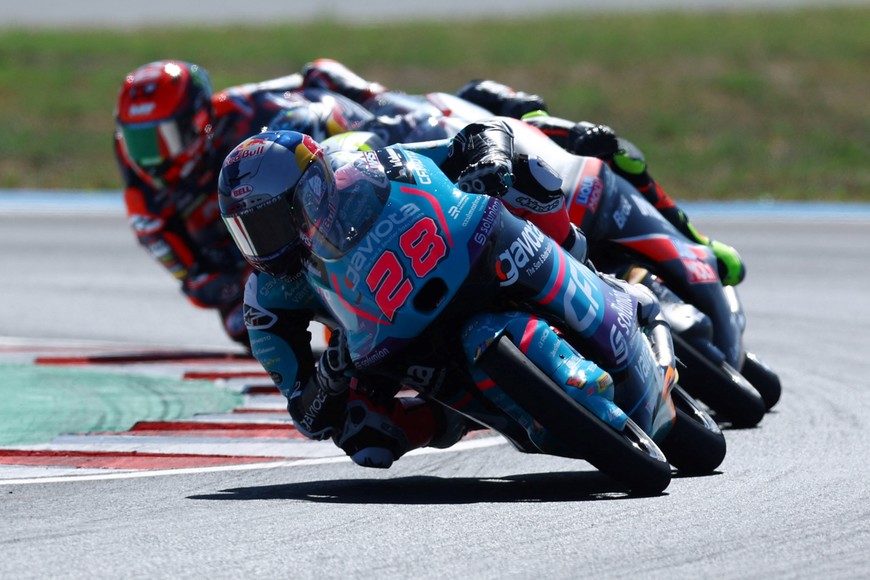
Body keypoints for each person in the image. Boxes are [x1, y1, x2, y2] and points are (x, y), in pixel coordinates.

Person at [218, 126, 663, 469]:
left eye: (273, 224)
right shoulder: (267, 300)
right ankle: (469, 416)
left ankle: (596, 276)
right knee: (363, 436)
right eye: (248, 233)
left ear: (313, 190)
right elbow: (306, 414)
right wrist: (331, 376)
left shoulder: (365, 171)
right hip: (382, 333)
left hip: (455, 253)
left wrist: (487, 161)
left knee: (528, 176)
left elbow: (470, 139)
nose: (264, 245)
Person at [290, 58, 746, 286]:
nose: (340, 129)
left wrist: (519, 119)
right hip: (459, 217)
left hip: (503, 153)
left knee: (610, 147)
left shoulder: (387, 105)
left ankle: (698, 241)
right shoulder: (347, 183)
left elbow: (471, 117)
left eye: (335, 121)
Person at [113, 60, 305, 346]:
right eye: (138, 142)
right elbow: (195, 284)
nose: (149, 159)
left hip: (290, 224)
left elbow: (305, 81)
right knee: (246, 326)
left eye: (164, 138)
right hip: (233, 257)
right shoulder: (140, 189)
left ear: (198, 121)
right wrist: (215, 280)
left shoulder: (241, 111)